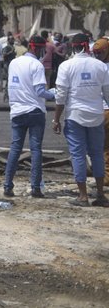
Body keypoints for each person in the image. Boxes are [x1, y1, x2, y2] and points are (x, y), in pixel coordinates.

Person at [52, 33, 109, 207]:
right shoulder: (100, 66)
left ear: (72, 46)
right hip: (96, 115)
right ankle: (100, 195)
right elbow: (107, 93)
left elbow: (60, 97)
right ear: (87, 46)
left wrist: (56, 119)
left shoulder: (66, 66)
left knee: (78, 155)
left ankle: (83, 196)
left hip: (75, 115)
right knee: (97, 154)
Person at [3, 36, 55, 198]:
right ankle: (36, 187)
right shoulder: (36, 65)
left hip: (17, 111)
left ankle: (7, 186)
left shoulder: (14, 63)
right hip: (34, 111)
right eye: (43, 50)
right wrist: (54, 94)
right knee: (35, 150)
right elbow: (40, 92)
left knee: (15, 149)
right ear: (37, 48)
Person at [92, 37, 109, 179]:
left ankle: (106, 177)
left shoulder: (97, 67)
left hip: (101, 111)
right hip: (103, 111)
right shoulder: (101, 67)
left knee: (103, 147)